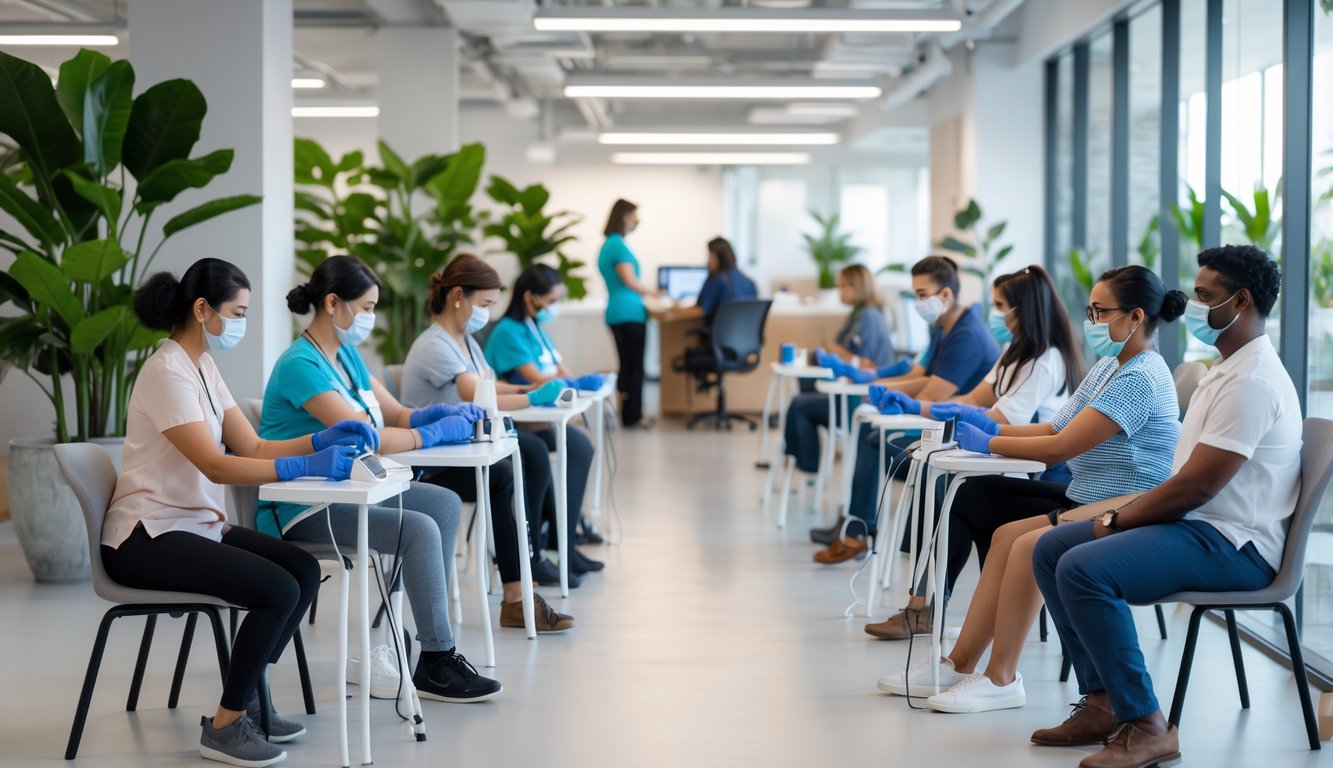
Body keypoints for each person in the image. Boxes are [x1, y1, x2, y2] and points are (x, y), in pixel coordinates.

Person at [873, 265, 1186, 720]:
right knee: (1004, 535)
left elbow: (1061, 448)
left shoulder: (1141, 377)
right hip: (1086, 494)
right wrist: (989, 431)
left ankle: (1002, 677)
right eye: (1090, 311)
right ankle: (960, 664)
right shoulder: (1108, 366)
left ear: (1136, 317)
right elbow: (1055, 427)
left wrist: (989, 442)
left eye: (1100, 312)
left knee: (1024, 546)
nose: (1091, 322)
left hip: (1127, 505)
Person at [1033, 246, 1297, 768]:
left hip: (1235, 544)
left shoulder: (1253, 381)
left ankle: (1148, 725)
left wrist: (1117, 519)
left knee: (1083, 568)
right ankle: (1102, 701)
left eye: (1204, 296)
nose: (1192, 305)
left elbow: (1197, 486)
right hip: (1200, 526)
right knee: (1051, 548)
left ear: (1241, 301)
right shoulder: (1225, 368)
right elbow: (1186, 481)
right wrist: (1119, 518)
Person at [104, 258, 357, 767]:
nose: (242, 323)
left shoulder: (202, 367)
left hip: (192, 525)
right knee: (277, 590)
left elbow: (254, 445)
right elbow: (217, 466)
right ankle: (225, 725)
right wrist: (304, 465)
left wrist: (319, 441)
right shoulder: (167, 373)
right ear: (203, 309)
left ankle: (250, 698)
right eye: (238, 312)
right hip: (145, 537)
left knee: (303, 570)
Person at [260, 255, 502, 703]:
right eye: (367, 308)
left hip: (351, 491)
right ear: (332, 303)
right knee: (419, 529)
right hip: (302, 507)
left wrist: (434, 414)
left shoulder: (347, 357)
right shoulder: (300, 364)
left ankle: (426, 645)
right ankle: (438, 658)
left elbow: (395, 415)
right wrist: (430, 433)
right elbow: (364, 436)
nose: (370, 318)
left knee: (444, 503)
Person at [815, 265, 1082, 565]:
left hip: (1028, 463)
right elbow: (972, 399)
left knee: (930, 470)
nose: (994, 314)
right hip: (1001, 449)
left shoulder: (1035, 358)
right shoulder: (1011, 349)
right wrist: (911, 402)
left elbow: (997, 420)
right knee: (901, 451)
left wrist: (923, 406)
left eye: (999, 306)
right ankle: (903, 562)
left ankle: (911, 567)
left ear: (1023, 310)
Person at [401, 254, 597, 633]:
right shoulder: (434, 345)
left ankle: (528, 568)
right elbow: (477, 395)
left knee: (530, 454)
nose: (487, 313)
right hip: (431, 463)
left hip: (460, 450)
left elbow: (489, 386)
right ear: (458, 296)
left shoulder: (465, 342)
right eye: (485, 304)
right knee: (508, 472)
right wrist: (534, 396)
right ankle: (518, 593)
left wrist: (530, 388)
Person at [804, 255, 998, 562]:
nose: (918, 303)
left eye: (922, 295)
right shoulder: (944, 328)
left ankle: (857, 532)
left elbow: (932, 393)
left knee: (875, 441)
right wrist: (875, 383)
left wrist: (889, 392)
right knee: (870, 432)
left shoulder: (966, 335)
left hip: (959, 441)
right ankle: (856, 525)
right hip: (941, 427)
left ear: (946, 294)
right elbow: (920, 376)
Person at [483, 262, 606, 551]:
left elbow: (562, 373)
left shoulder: (534, 328)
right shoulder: (508, 332)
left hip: (539, 420)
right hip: (518, 421)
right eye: (551, 300)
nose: (554, 307)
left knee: (580, 446)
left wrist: (575, 382)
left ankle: (565, 535)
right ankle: (558, 540)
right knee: (575, 447)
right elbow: (539, 380)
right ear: (530, 297)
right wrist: (568, 382)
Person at [598, 198, 658, 429]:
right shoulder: (617, 245)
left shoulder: (608, 244)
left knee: (627, 366)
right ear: (624, 217)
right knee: (635, 366)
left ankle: (628, 414)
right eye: (634, 217)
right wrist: (655, 292)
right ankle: (633, 416)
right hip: (629, 313)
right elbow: (630, 281)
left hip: (617, 311)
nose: (637, 221)